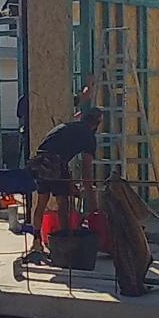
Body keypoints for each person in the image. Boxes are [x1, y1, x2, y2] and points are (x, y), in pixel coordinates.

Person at [27, 106, 102, 255]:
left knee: (42, 202)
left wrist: (71, 184)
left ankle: (36, 241)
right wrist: (94, 207)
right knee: (63, 203)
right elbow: (87, 173)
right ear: (96, 124)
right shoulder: (88, 136)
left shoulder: (71, 127)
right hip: (55, 161)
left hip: (40, 161)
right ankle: (66, 242)